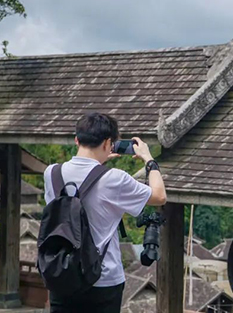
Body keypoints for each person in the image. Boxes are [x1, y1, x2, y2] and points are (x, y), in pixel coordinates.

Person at [43, 112, 167, 313]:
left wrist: (98, 163)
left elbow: (79, 187)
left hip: (61, 273)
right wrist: (149, 159)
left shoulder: (52, 173)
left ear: (77, 140)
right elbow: (159, 196)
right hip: (103, 279)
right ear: (108, 142)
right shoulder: (115, 179)